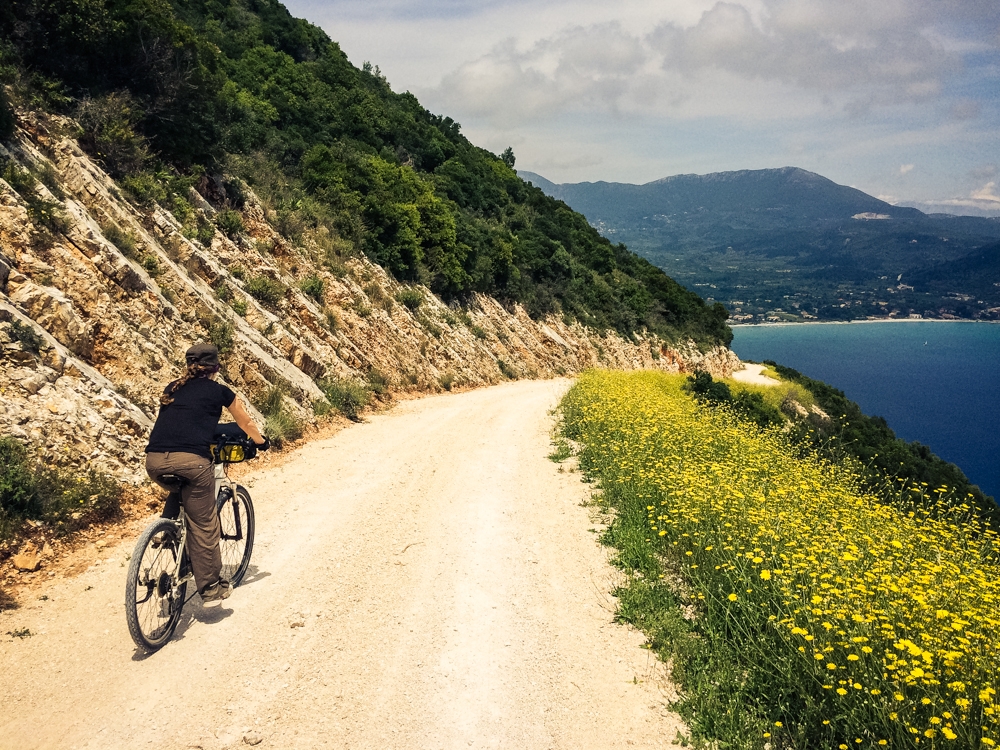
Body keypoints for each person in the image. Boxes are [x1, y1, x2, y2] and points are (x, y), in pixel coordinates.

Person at [144, 343, 269, 602]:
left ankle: (166, 531)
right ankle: (211, 587)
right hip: (192, 463)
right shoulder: (220, 391)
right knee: (204, 524)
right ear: (216, 368)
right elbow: (245, 422)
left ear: (189, 365)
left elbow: (182, 422)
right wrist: (261, 442)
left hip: (154, 461)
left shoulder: (172, 388)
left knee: (181, 488)